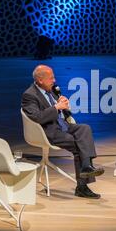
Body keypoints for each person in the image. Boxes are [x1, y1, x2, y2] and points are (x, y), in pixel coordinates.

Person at [21, 65, 104, 199]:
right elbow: (37, 117)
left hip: (63, 125)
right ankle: (82, 185)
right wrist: (56, 107)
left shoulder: (51, 90)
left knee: (85, 128)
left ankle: (87, 166)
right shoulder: (29, 95)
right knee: (78, 144)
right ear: (40, 80)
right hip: (49, 131)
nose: (54, 80)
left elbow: (64, 113)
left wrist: (65, 105)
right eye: (51, 78)